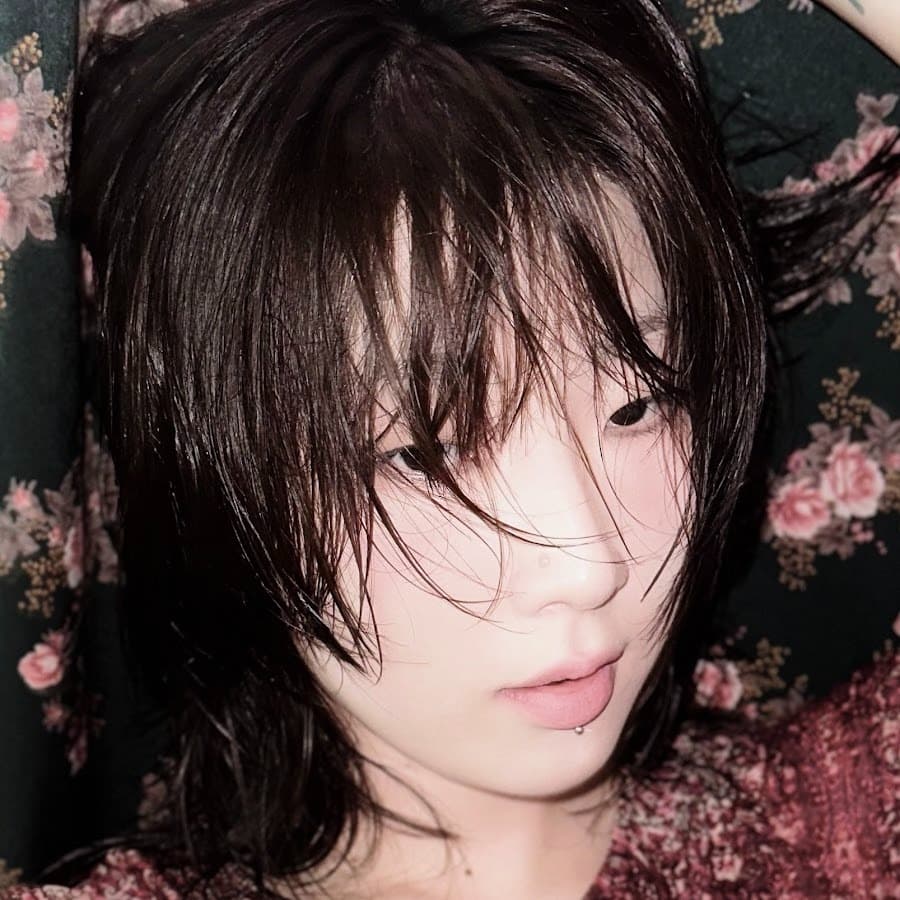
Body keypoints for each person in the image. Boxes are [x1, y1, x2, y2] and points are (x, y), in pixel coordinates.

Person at [4, 0, 899, 897]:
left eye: (637, 406)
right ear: (221, 472)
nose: (589, 563)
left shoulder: (848, 821)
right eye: (426, 455)